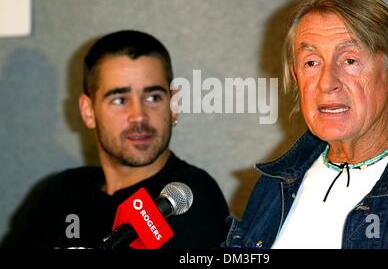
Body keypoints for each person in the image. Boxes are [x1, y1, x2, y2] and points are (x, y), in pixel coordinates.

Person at [225, 0, 388, 249]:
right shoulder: (273, 186)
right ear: (296, 78)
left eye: (349, 60)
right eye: (311, 63)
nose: (327, 83)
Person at [2, 30, 229, 249]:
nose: (139, 115)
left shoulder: (189, 197)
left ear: (173, 105)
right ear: (88, 111)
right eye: (120, 100)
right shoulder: (61, 192)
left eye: (153, 97)